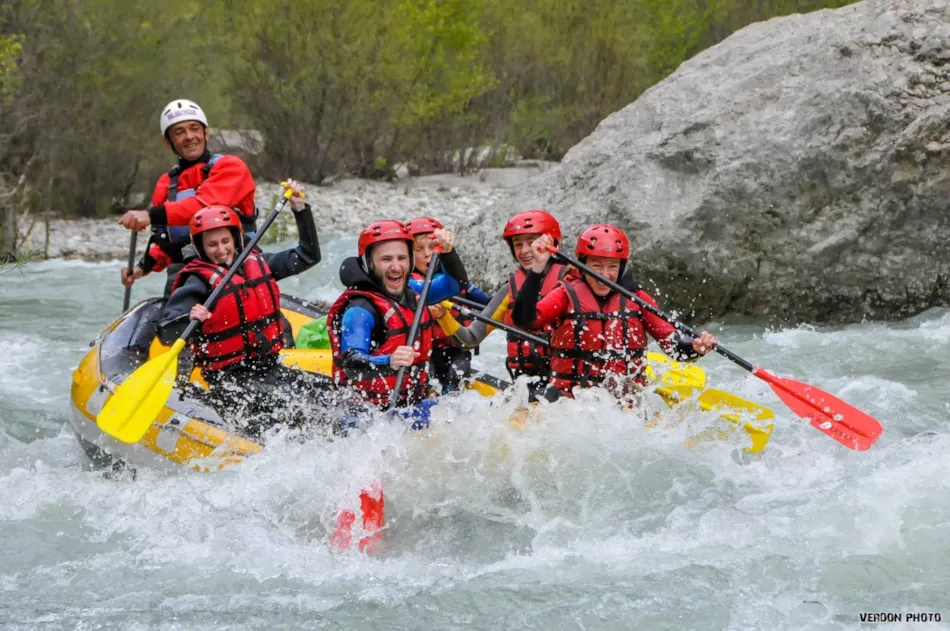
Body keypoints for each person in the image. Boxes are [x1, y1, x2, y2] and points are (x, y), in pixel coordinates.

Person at [156, 181, 331, 437]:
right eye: (212, 244)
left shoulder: (259, 263)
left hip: (270, 368)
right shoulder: (197, 281)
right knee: (290, 412)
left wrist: (300, 210)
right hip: (228, 381)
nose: (221, 250)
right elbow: (166, 333)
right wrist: (190, 317)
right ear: (200, 247)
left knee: (330, 393)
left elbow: (308, 255)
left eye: (225, 241)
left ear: (237, 239)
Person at [511, 224, 718, 403]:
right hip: (569, 402)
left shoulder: (636, 299)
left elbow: (674, 347)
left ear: (622, 267)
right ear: (583, 266)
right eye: (596, 266)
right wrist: (538, 268)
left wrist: (694, 347)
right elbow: (524, 320)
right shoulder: (566, 294)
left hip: (622, 406)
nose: (604, 275)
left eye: (612, 267)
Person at [327, 220, 468, 423]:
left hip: (410, 405)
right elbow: (351, 363)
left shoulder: (413, 292)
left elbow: (455, 285)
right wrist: (389, 361)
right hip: (365, 416)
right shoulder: (359, 309)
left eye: (402, 258)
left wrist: (448, 253)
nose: (396, 266)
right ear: (369, 263)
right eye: (386, 259)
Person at [119, 99, 258, 298]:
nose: (189, 136)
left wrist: (150, 215)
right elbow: (165, 242)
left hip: (234, 267)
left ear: (206, 133)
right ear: (168, 142)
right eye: (179, 132)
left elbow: (204, 206)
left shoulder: (231, 167)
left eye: (194, 128)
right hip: (184, 276)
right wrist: (142, 267)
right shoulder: (166, 184)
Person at [433, 209, 572, 396]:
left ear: (551, 244)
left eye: (531, 242)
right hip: (525, 388)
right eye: (518, 244)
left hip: (565, 388)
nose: (524, 251)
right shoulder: (510, 290)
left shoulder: (571, 283)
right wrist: (443, 316)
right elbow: (470, 339)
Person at [405, 216, 490, 392]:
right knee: (428, 380)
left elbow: (490, 304)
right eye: (419, 249)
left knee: (457, 374)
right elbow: (423, 291)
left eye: (431, 247)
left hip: (456, 348)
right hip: (424, 352)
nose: (427, 254)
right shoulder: (408, 282)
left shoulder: (455, 280)